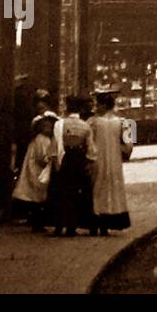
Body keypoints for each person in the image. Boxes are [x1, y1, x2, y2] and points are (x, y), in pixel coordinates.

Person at [51, 96, 97, 237]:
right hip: (80, 159)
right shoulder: (85, 126)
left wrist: (55, 162)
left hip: (66, 158)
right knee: (82, 192)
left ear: (67, 108)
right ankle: (84, 225)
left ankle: (60, 225)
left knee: (63, 192)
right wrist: (90, 162)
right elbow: (91, 148)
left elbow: (54, 146)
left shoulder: (60, 124)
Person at [89, 91, 132, 236]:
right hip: (114, 161)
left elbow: (89, 142)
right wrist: (123, 153)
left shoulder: (94, 122)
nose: (96, 108)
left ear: (103, 105)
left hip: (97, 159)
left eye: (98, 105)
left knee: (97, 188)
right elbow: (129, 144)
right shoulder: (122, 122)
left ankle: (97, 221)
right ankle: (112, 218)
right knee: (113, 188)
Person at [11, 113, 56, 232]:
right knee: (38, 198)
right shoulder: (43, 139)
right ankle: (37, 223)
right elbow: (42, 157)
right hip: (38, 171)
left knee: (36, 198)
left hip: (35, 170)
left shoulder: (38, 139)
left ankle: (36, 222)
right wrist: (51, 159)